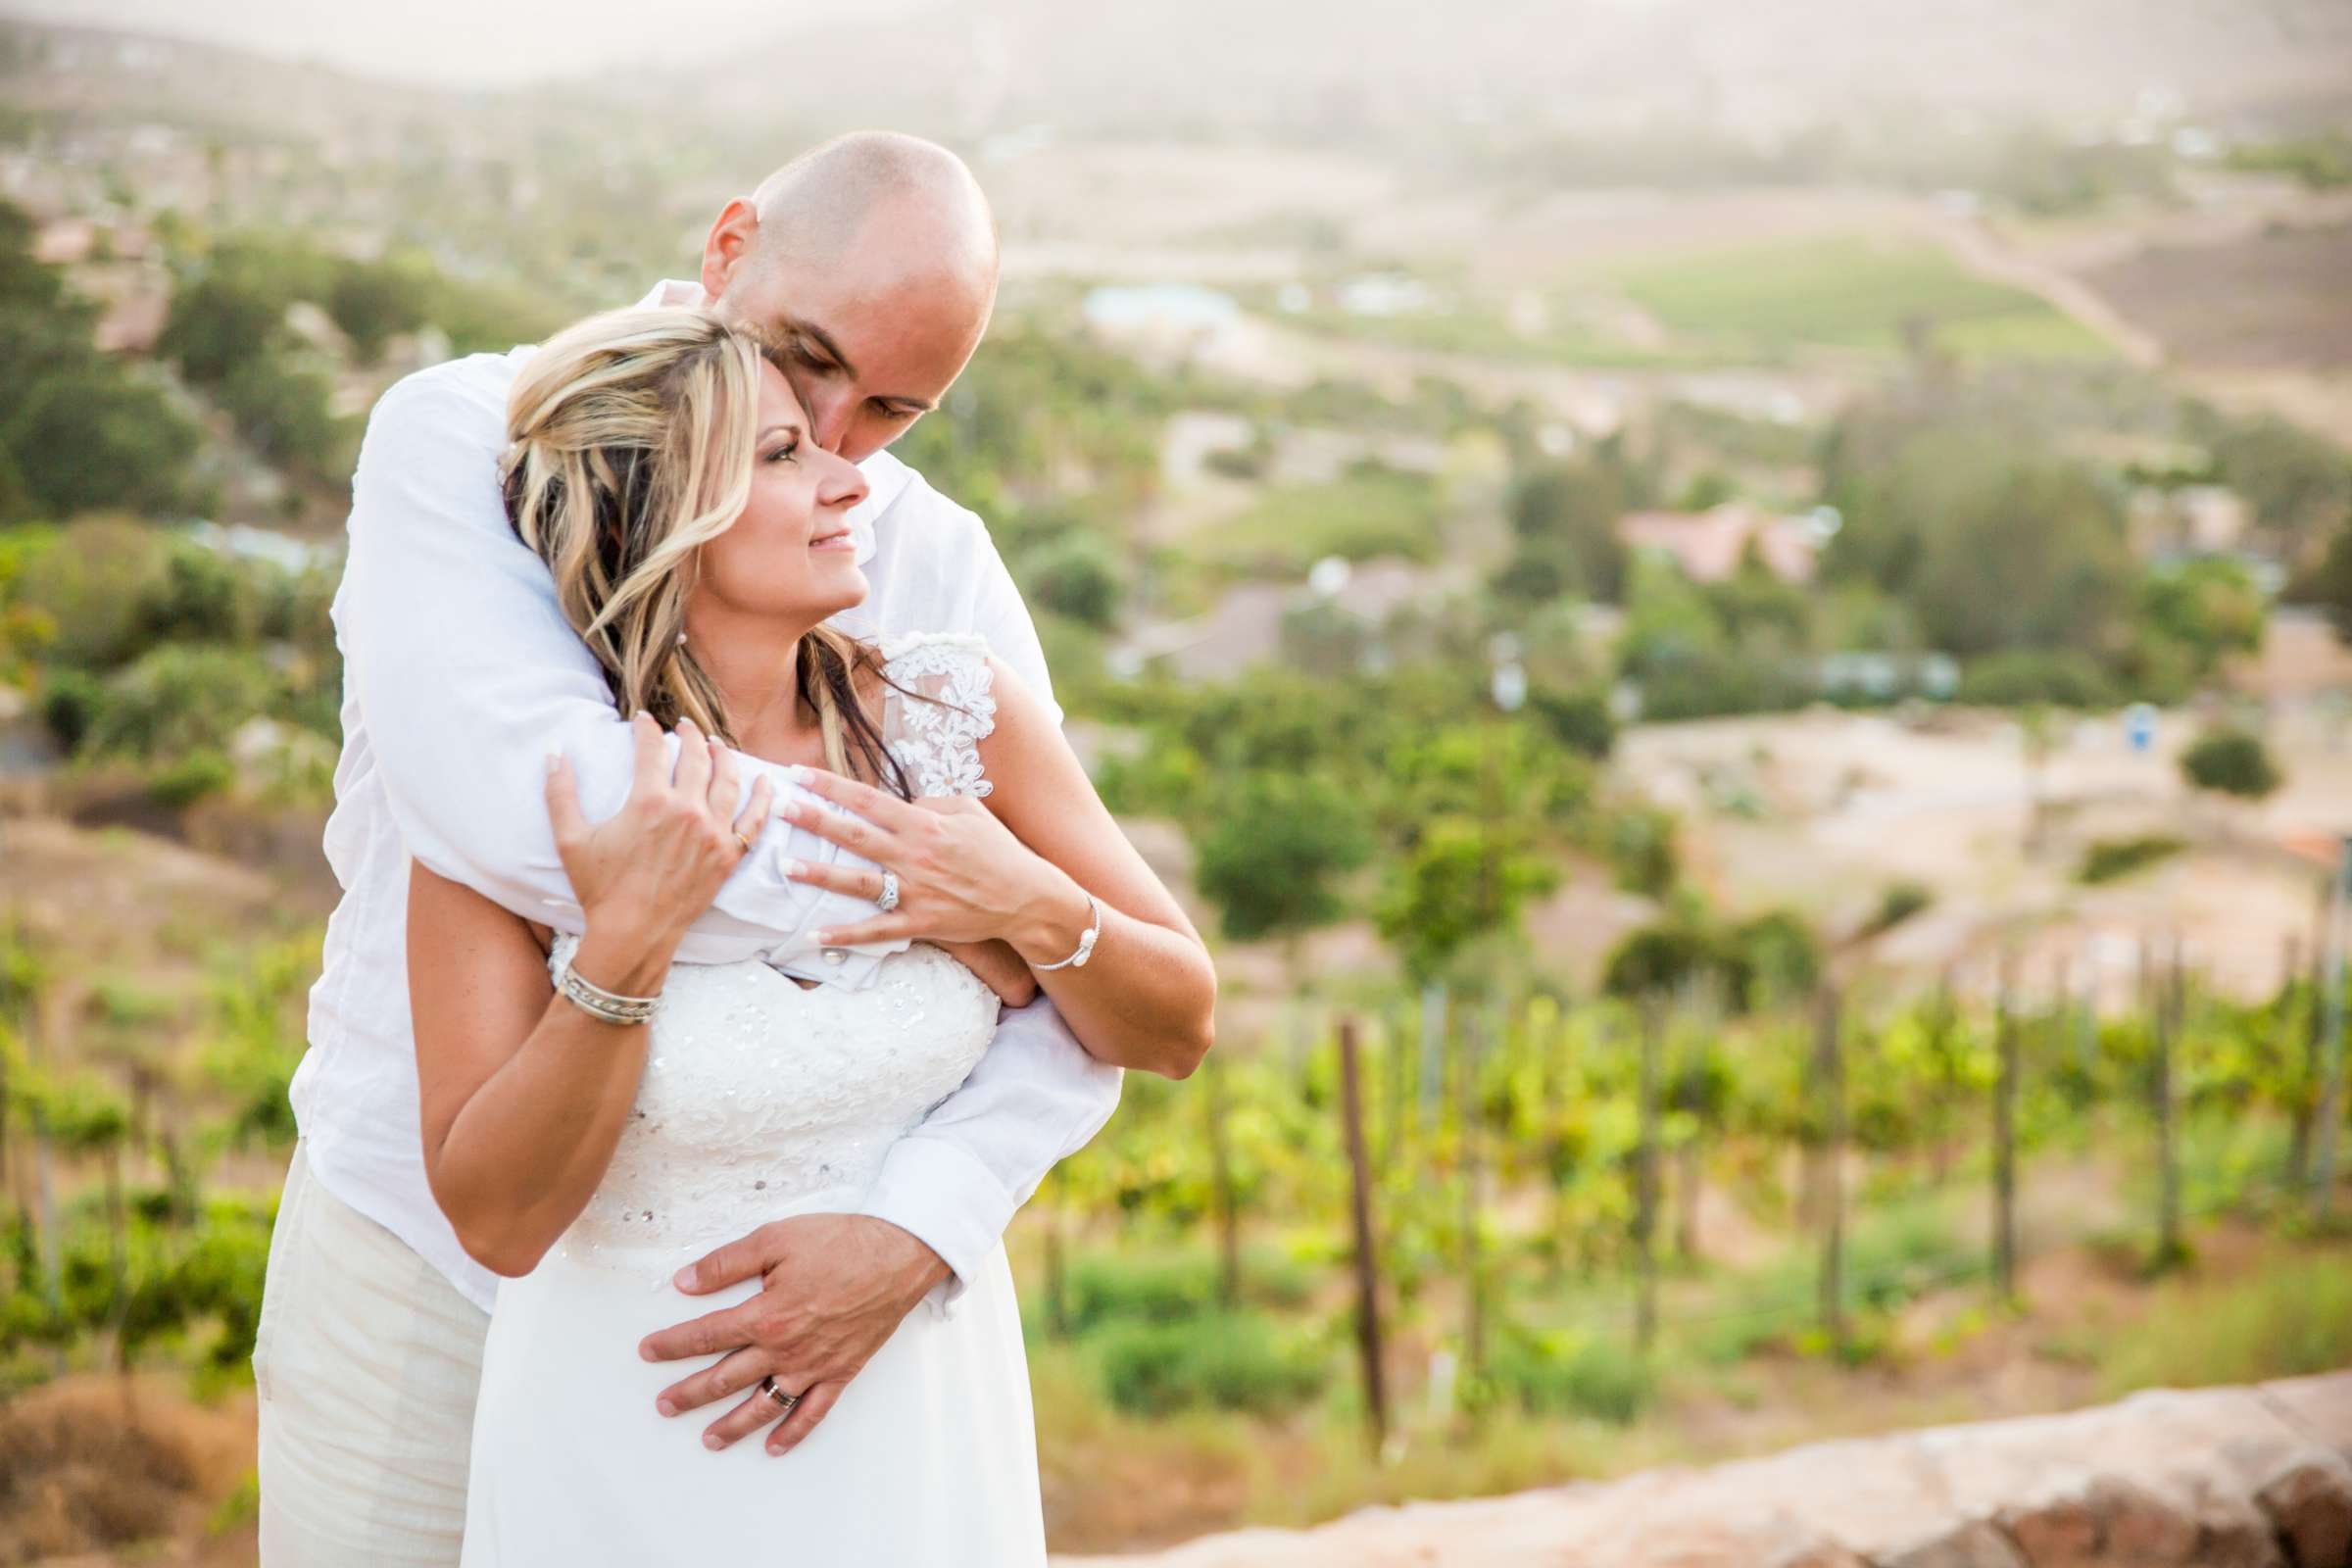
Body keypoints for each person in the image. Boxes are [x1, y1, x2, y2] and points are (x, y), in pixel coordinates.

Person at [255, 133, 1172, 1562]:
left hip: (841, 1327)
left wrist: (929, 1223)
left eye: (890, 410)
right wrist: (970, 918)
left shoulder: (928, 568)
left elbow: (1096, 1004)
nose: (835, 435)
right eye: (807, 361)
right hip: (420, 1265)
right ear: (728, 245)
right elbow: (542, 823)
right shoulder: (471, 435)